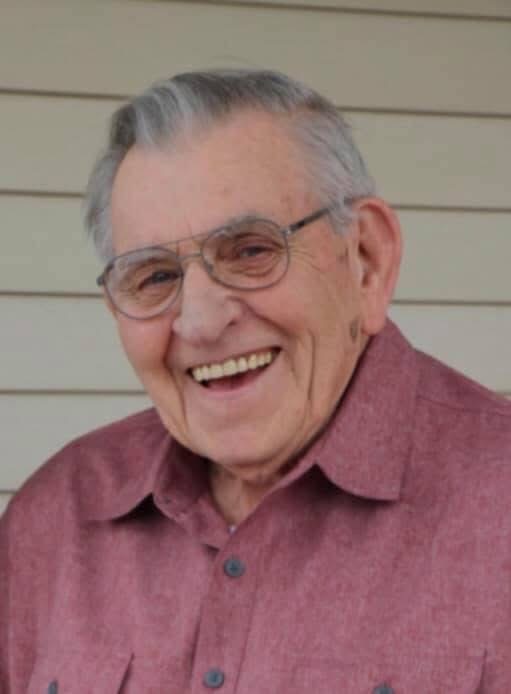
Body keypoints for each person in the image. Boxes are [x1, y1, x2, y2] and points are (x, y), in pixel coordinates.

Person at [1, 69, 511, 694]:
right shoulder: (55, 519)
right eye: (154, 276)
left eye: (250, 250)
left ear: (366, 260)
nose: (200, 322)